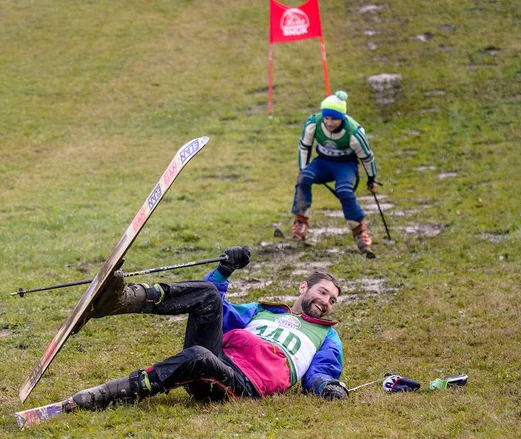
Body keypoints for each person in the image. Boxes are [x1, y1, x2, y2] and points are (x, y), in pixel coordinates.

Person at [70, 246, 349, 410]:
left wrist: (326, 386)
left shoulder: (326, 335)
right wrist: (225, 270)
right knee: (208, 296)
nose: (326, 302)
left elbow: (320, 372)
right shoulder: (263, 310)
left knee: (199, 357)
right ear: (304, 287)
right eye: (323, 293)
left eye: (332, 300)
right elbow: (212, 300)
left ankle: (109, 394)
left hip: (244, 384)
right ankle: (119, 301)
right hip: (222, 357)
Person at [290, 90, 379, 255]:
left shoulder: (355, 133)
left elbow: (367, 157)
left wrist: (371, 178)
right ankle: (300, 221)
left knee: (344, 191)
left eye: (334, 119)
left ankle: (360, 232)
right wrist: (303, 169)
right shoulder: (313, 123)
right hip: (322, 163)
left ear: (342, 118)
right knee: (304, 178)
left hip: (345, 166)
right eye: (327, 118)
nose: (329, 123)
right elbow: (304, 146)